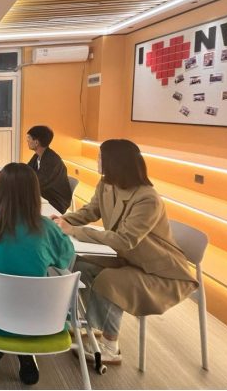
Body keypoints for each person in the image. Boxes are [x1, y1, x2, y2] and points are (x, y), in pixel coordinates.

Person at [52, 139, 199, 365]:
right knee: (79, 265)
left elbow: (125, 240)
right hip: (129, 259)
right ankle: (93, 325)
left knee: (110, 280)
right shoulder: (106, 184)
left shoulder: (147, 198)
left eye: (101, 157)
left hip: (160, 271)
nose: (97, 161)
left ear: (115, 162)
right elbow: (90, 211)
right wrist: (62, 221)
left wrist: (75, 230)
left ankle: (111, 347)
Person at [0, 163, 74, 386]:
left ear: (3, 190)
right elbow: (64, 259)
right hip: (40, 314)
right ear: (34, 191)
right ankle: (24, 352)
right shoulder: (47, 227)